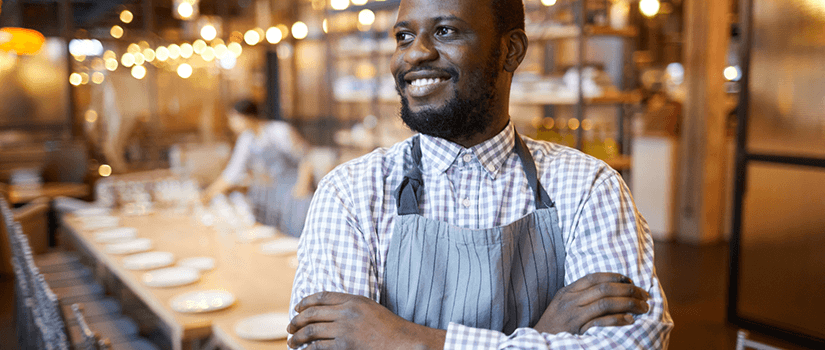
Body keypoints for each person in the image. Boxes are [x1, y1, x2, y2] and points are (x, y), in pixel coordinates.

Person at [287, 0, 673, 348]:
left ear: (511, 50)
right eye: (404, 36)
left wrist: (410, 340)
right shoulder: (351, 193)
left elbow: (633, 342)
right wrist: (544, 335)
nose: (416, 53)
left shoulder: (589, 186)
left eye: (445, 31)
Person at [203, 100, 311, 236]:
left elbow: (307, 158)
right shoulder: (246, 139)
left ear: (245, 116)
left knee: (296, 235)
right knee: (274, 236)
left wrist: (302, 186)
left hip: (294, 192)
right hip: (272, 195)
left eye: (232, 119)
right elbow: (232, 173)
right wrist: (207, 195)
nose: (231, 124)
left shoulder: (279, 130)